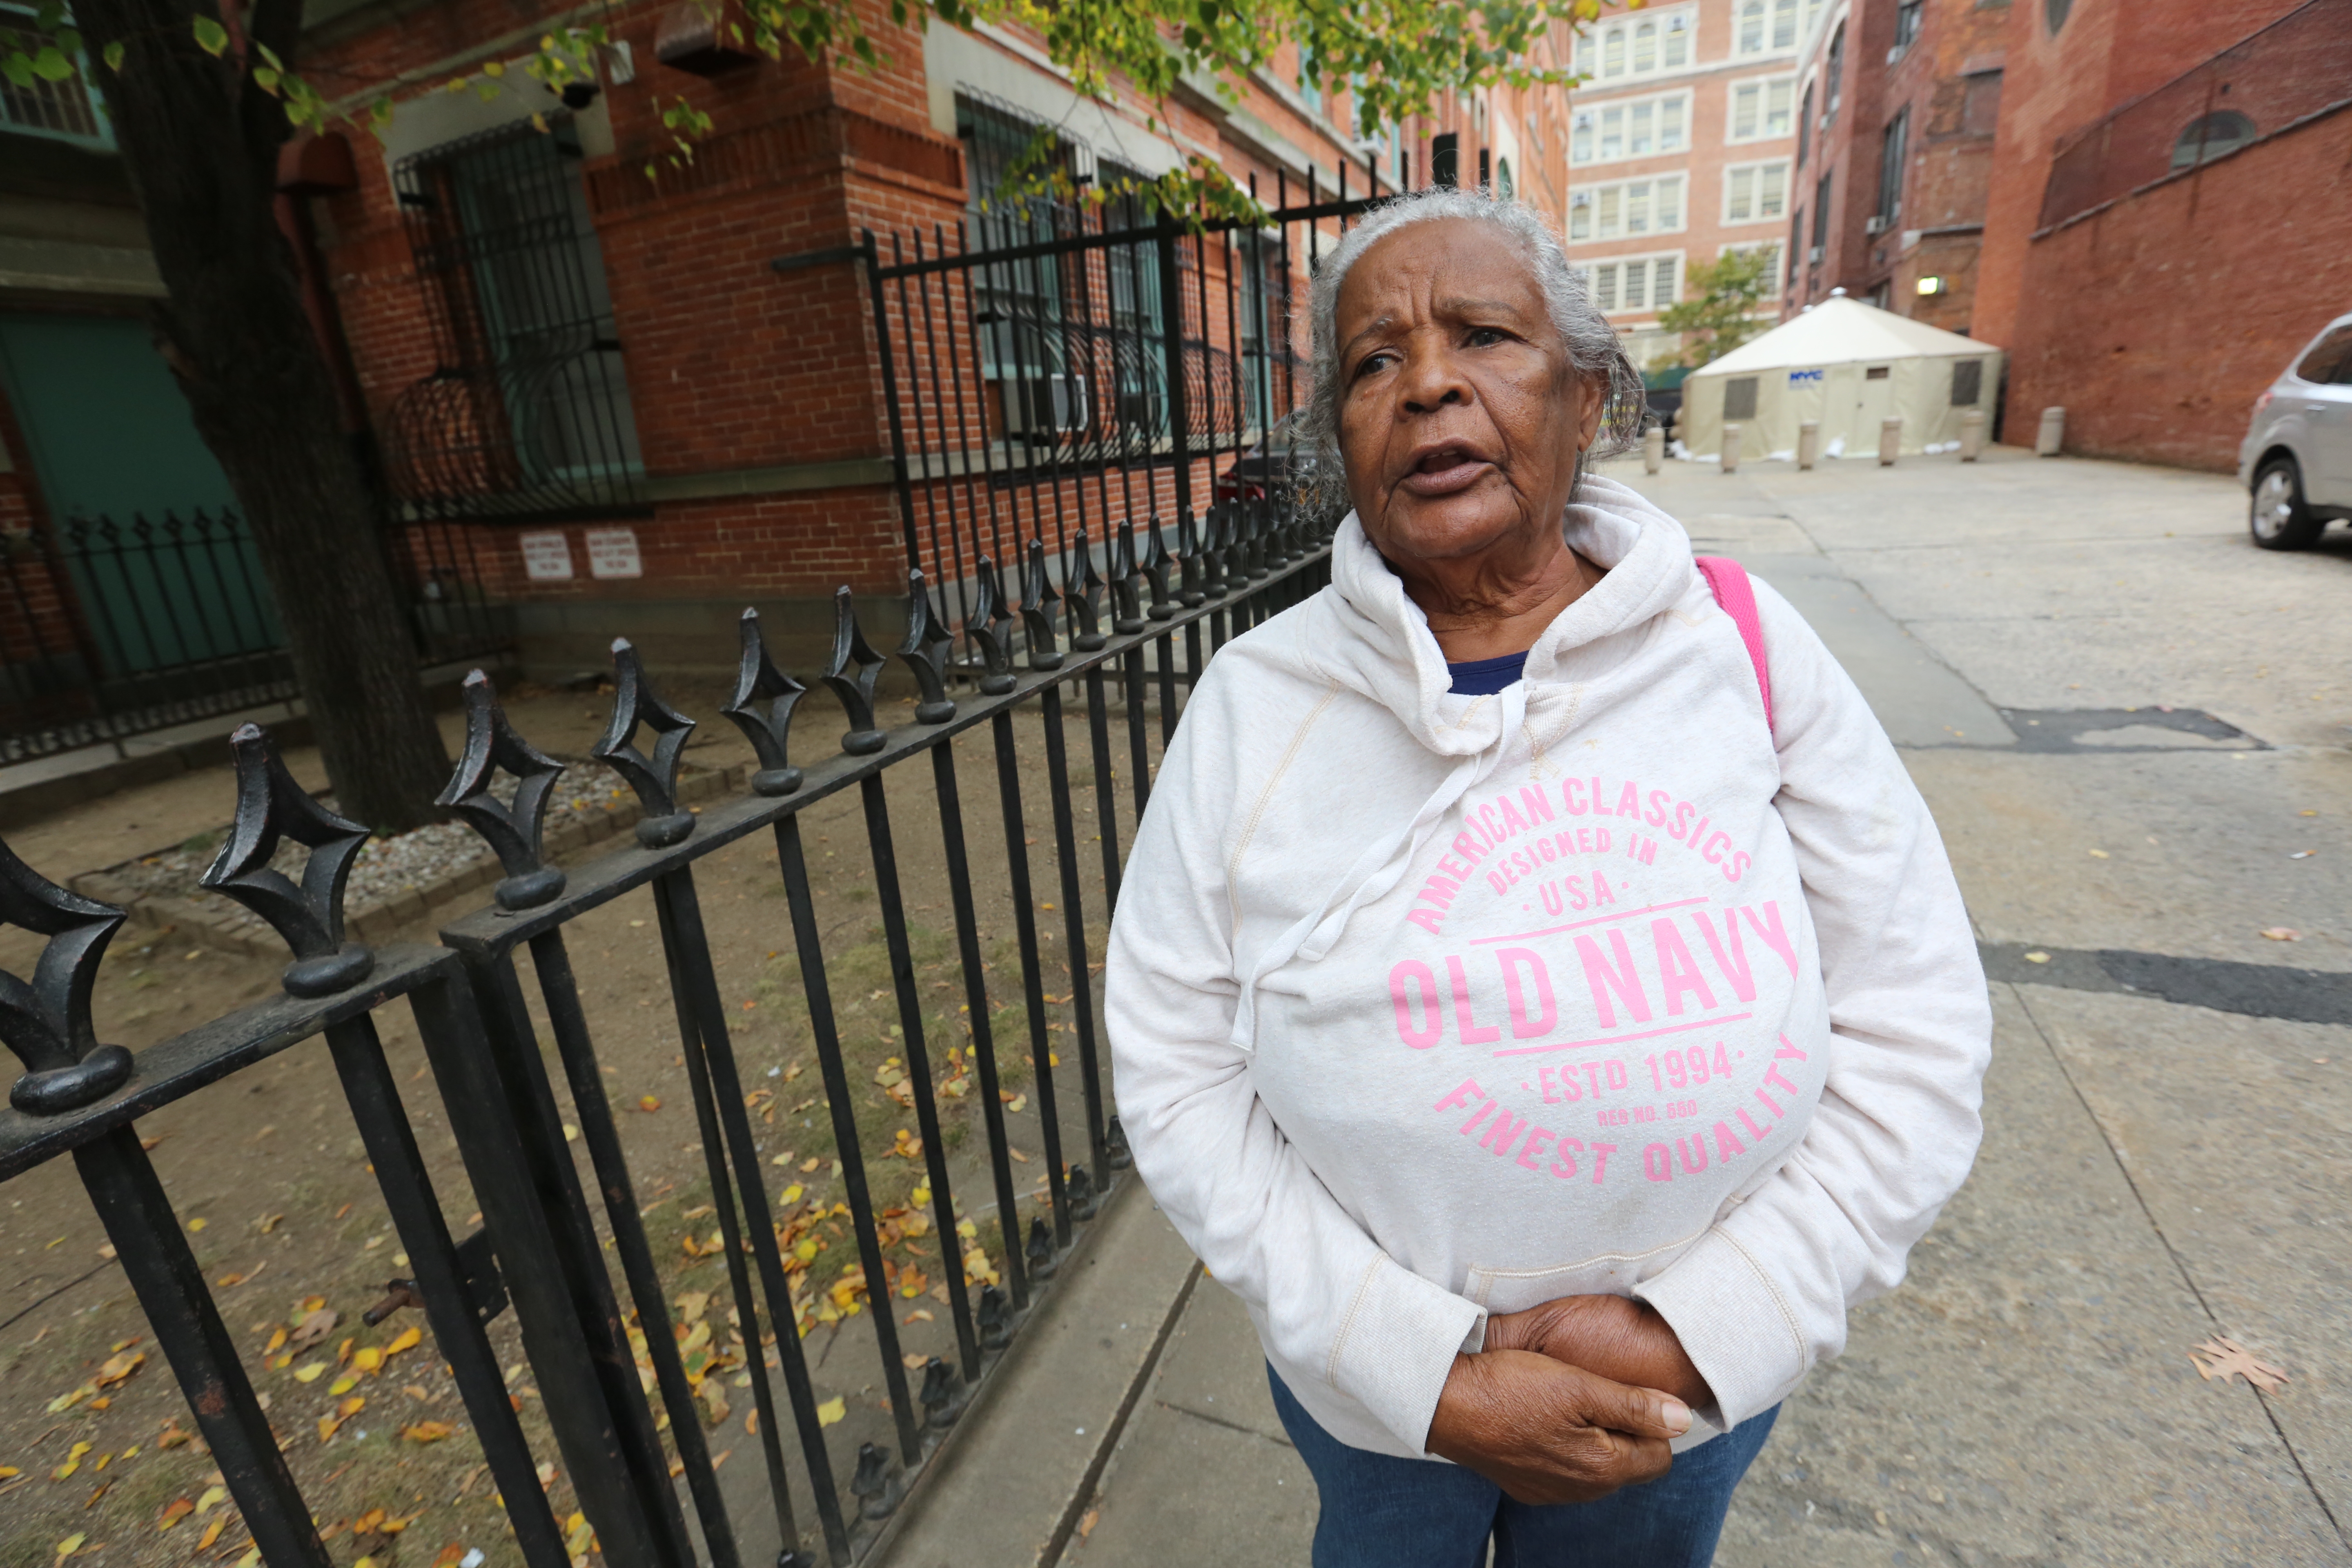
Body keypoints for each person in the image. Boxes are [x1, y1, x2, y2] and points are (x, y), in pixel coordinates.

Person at [1103, 188, 1992, 1567]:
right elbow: (1172, 1062)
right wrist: (1420, 1373)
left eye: (1484, 336)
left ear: (1589, 394)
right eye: (1373, 362)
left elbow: (1917, 1020)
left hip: (1670, 1395)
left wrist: (1713, 1328)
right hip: (1377, 1410)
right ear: (1339, 442)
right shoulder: (1251, 703)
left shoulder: (1744, 647)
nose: (1429, 383)